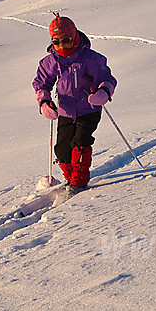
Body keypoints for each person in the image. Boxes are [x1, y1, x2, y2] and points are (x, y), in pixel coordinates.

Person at [33, 13, 117, 192]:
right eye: (56, 41)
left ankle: (79, 181)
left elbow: (107, 77)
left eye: (66, 40)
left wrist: (103, 91)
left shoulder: (90, 58)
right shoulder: (51, 61)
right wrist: (44, 102)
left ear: (75, 36)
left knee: (81, 142)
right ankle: (71, 178)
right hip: (65, 110)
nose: (61, 45)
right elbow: (41, 83)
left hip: (89, 108)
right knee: (62, 150)